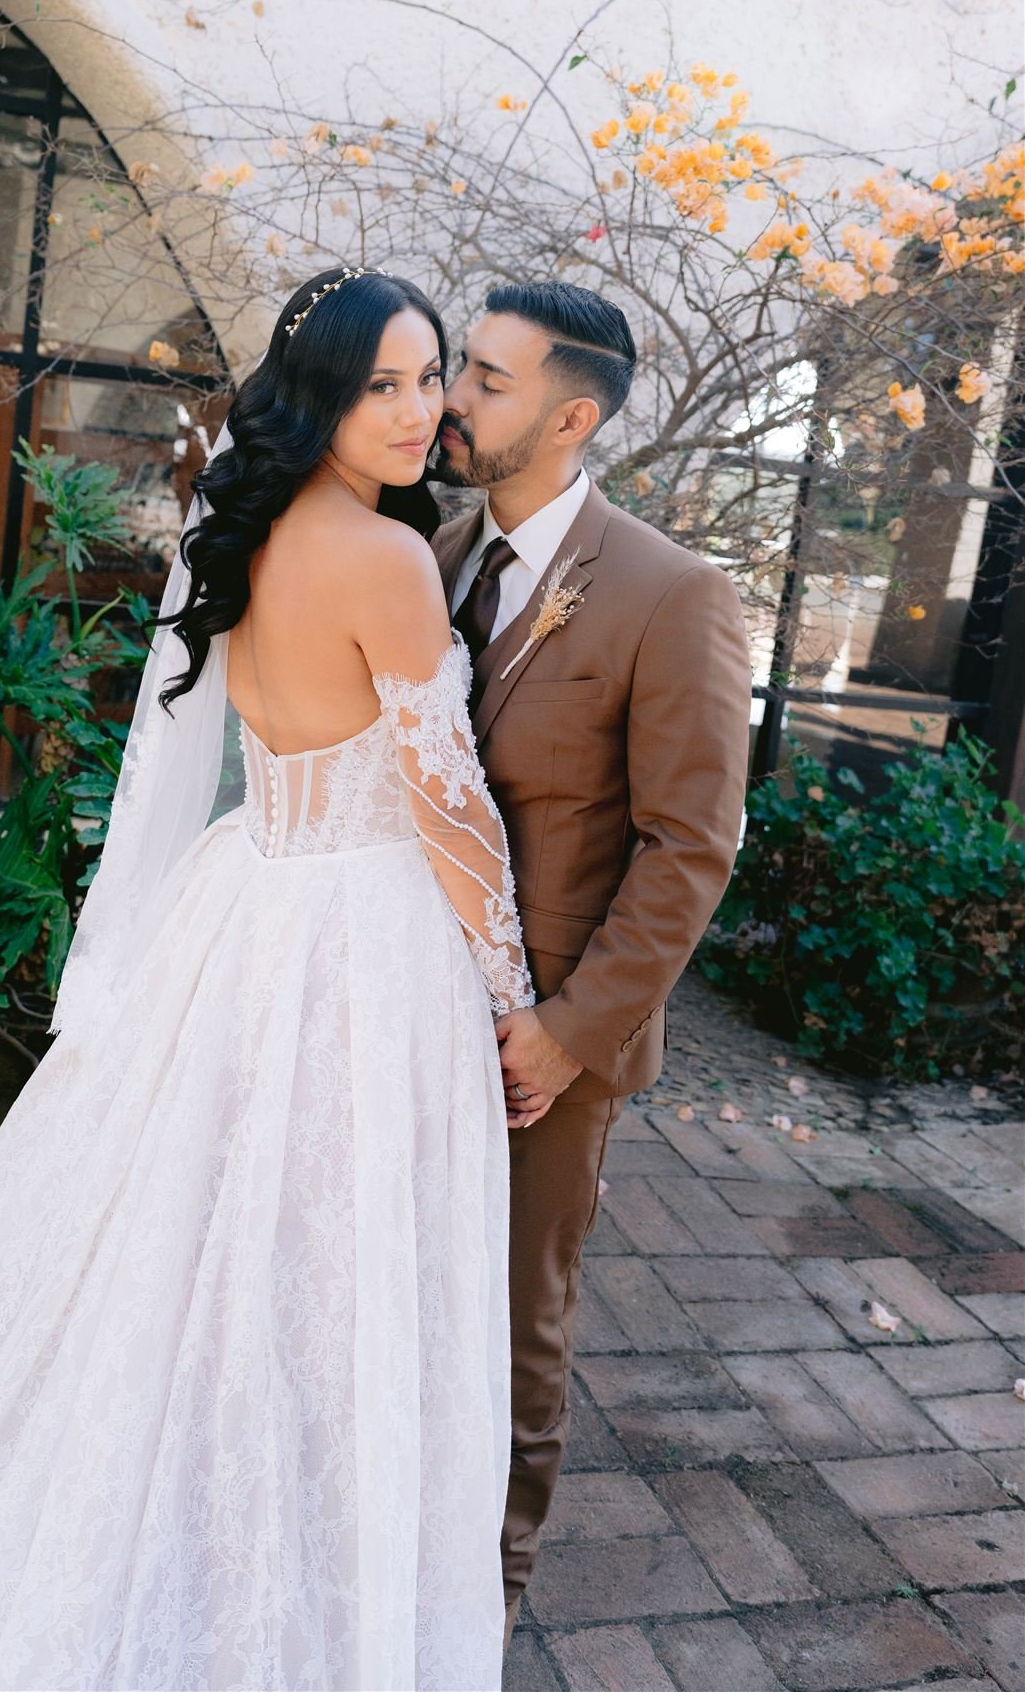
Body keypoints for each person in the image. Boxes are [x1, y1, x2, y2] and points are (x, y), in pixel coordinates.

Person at [0, 269, 526, 1692]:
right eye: (381, 382)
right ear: (315, 395)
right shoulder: (382, 560)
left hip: (246, 897)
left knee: (200, 1222)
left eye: (431, 379)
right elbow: (443, 800)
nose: (416, 409)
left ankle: (189, 1480)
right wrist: (505, 986)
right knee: (316, 1240)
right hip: (353, 927)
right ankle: (263, 1521)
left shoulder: (239, 535)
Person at [431, 280, 754, 1644]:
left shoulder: (670, 594)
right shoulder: (437, 550)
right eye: (461, 365)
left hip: (544, 1048)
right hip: (401, 999)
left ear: (570, 416)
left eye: (487, 381)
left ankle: (484, 1602)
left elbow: (691, 845)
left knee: (516, 1319)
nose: (453, 396)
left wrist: (569, 1029)